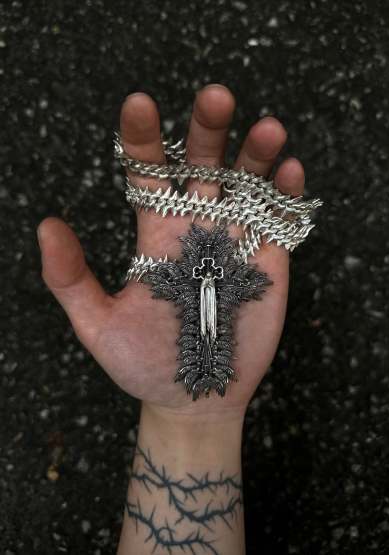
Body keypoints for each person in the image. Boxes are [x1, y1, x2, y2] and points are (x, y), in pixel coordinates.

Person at [37, 83, 307, 554]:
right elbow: (180, 282)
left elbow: (234, 284)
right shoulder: (197, 278)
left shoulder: (214, 279)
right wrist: (189, 423)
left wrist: (190, 423)